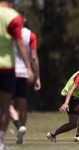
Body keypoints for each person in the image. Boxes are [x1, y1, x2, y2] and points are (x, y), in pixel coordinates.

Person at [0, 1, 34, 149]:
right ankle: (1, 140)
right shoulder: (13, 17)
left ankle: (18, 125)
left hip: (11, 69)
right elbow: (20, 45)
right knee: (8, 106)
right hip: (7, 67)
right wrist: (29, 68)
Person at [9, 26, 41, 144]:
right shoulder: (30, 35)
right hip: (24, 73)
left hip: (10, 71)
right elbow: (34, 57)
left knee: (6, 103)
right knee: (22, 104)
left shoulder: (8, 32)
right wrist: (37, 77)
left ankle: (18, 126)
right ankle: (21, 132)